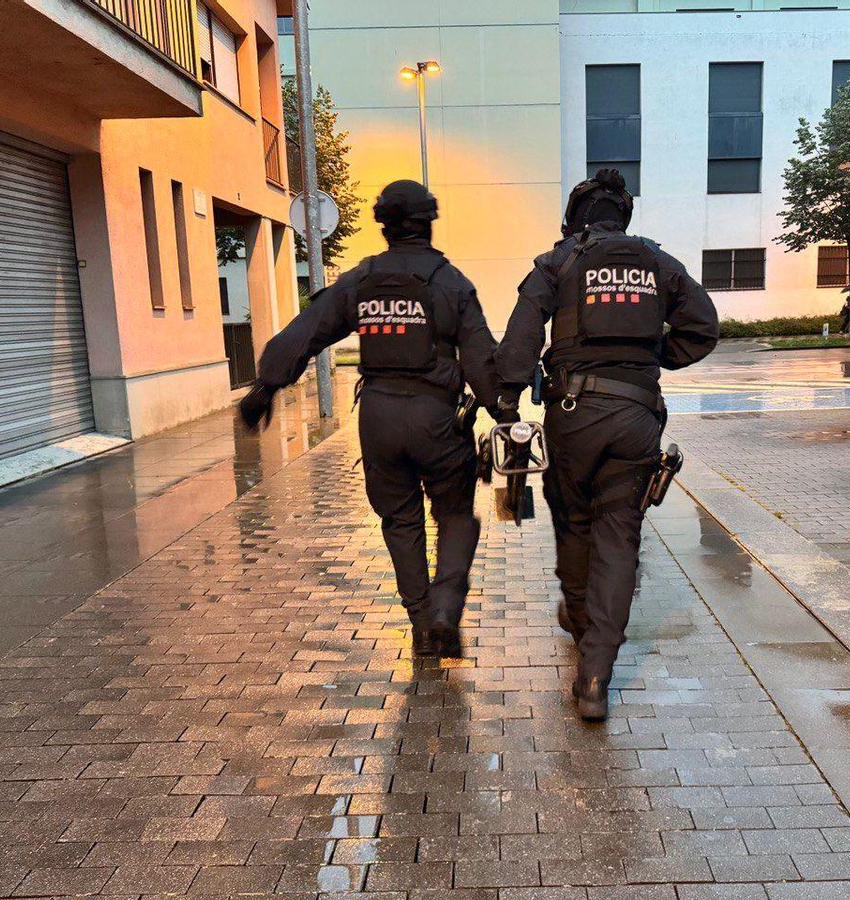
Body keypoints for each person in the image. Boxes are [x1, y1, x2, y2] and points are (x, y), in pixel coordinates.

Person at [239, 180, 500, 658]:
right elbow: (482, 360)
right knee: (455, 515)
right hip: (438, 420)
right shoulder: (451, 282)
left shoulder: (361, 280)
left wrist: (267, 384)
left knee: (400, 520)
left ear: (384, 226)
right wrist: (505, 410)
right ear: (429, 222)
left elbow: (309, 328)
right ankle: (445, 609)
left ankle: (421, 624)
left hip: (379, 418)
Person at [495, 168, 719, 721]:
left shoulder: (558, 262)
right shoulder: (658, 263)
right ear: (624, 216)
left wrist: (506, 399)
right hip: (637, 416)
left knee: (574, 525)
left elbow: (522, 332)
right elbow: (703, 328)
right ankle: (595, 675)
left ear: (575, 219)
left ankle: (580, 621)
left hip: (573, 416)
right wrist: (649, 359)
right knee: (619, 537)